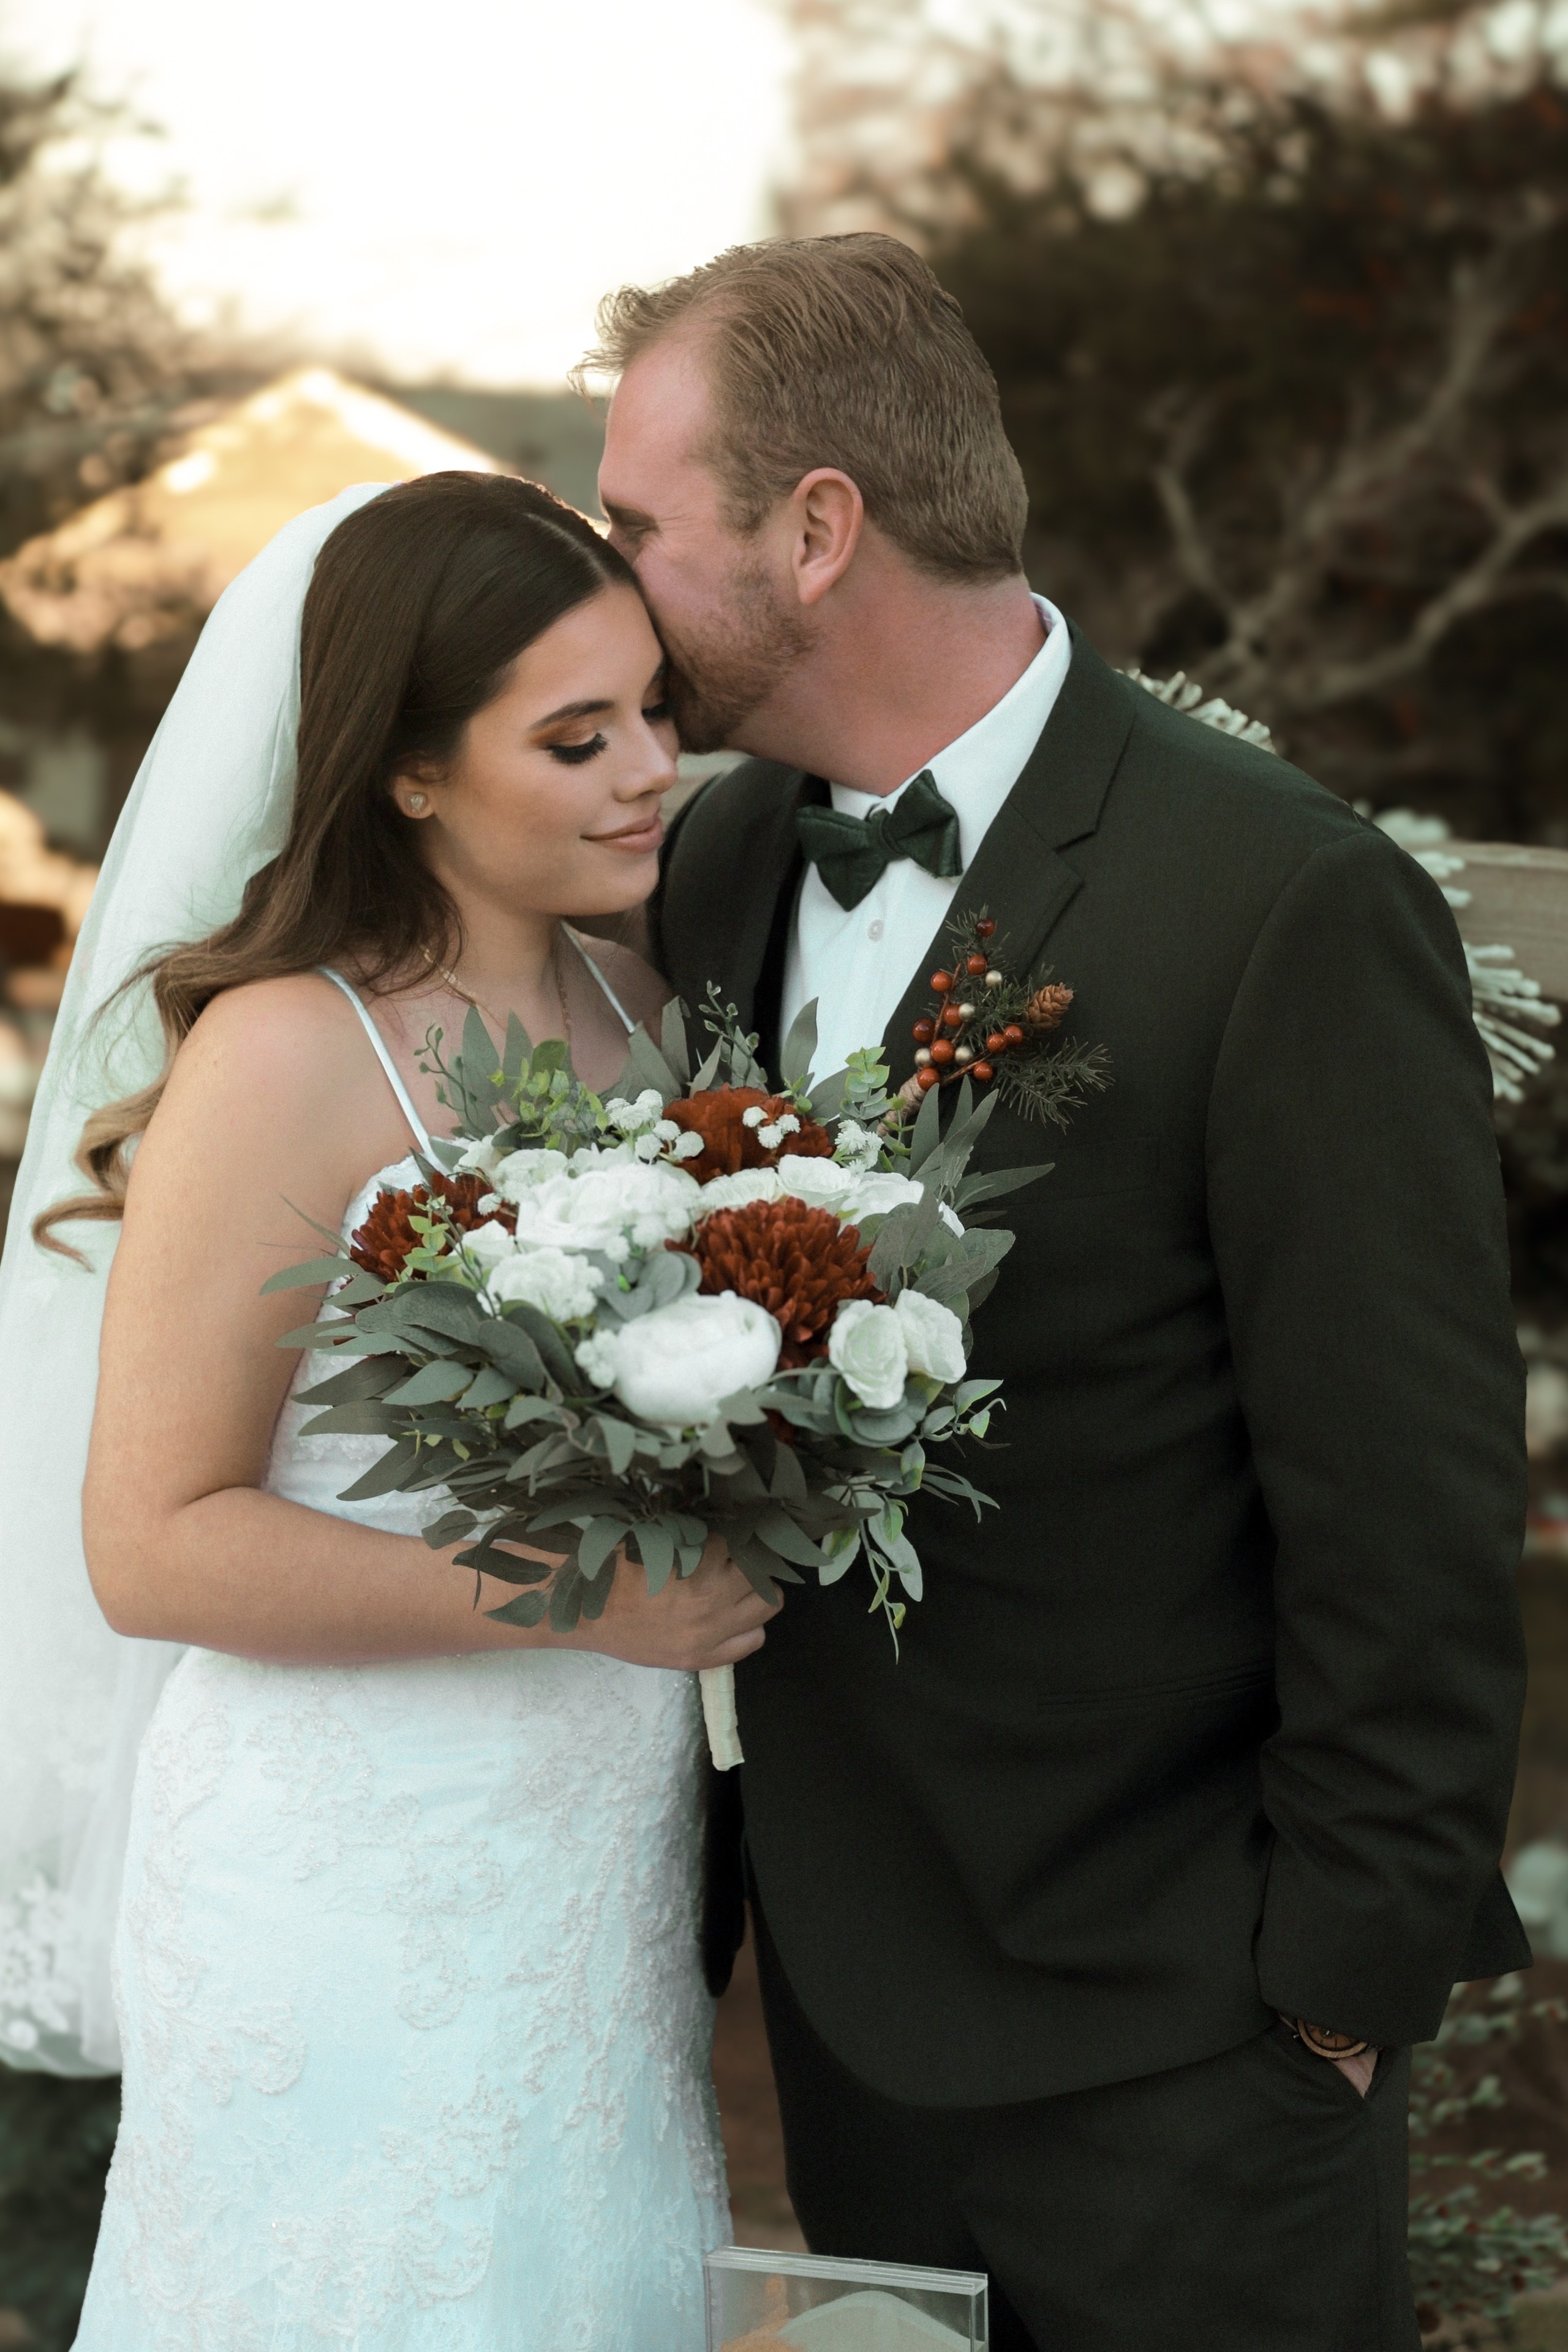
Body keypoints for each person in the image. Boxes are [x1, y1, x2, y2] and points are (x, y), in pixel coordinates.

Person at [588, 233, 1531, 2350]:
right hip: (848, 2020)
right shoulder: (713, 868)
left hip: (1190, 2042)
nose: (610, 575)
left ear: (816, 530)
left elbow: (1414, 1513)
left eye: (639, 525)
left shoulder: (1280, 898)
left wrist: (1330, 2011)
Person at [1, 473, 772, 2348]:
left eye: (658, 714)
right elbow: (151, 1543)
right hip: (340, 1873)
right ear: (412, 772)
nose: (648, 769)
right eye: (575, 736)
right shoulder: (287, 1051)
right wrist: (582, 1600)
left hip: (591, 1857)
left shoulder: (641, 1005)